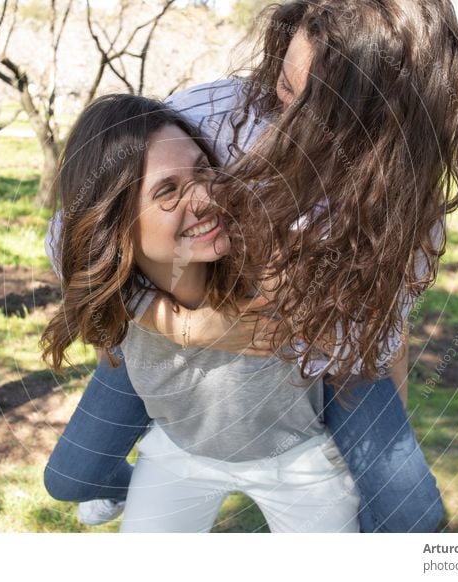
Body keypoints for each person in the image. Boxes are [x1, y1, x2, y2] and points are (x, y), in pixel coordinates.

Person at [43, 0, 458, 532]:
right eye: (283, 85)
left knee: (409, 515)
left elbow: (368, 344)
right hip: (168, 347)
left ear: (386, 123)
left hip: (306, 366)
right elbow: (73, 233)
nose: (280, 116)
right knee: (72, 474)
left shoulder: (407, 208)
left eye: (315, 109)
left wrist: (271, 320)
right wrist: (179, 322)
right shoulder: (216, 114)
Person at [41, 93, 362, 532]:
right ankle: (119, 490)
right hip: (181, 452)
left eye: (203, 171)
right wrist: (180, 323)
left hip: (294, 458)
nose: (208, 198)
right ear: (114, 220)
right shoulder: (114, 294)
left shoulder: (268, 260)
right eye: (167, 191)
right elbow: (66, 238)